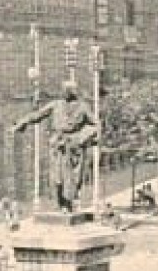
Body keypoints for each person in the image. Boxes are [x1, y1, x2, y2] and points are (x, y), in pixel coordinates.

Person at [14, 81, 99, 212]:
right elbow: (38, 115)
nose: (64, 92)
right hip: (57, 145)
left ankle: (68, 205)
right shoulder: (55, 105)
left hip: (73, 147)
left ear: (73, 92)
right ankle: (60, 204)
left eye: (67, 90)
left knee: (71, 178)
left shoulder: (83, 107)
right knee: (56, 177)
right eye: (63, 90)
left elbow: (96, 125)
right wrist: (22, 123)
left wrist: (82, 138)